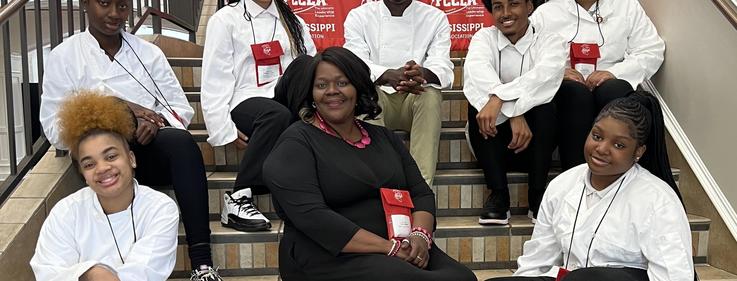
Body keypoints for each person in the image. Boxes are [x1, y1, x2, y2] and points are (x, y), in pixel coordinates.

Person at [38, 0, 221, 279]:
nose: (114, 14)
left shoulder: (148, 53)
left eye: (122, 6)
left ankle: (202, 262)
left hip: (147, 151)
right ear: (86, 4)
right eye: (104, 4)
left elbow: (181, 110)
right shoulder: (64, 56)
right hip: (101, 156)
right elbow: (54, 129)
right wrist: (117, 109)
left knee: (183, 144)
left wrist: (155, 124)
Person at [262, 47, 476, 281]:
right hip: (330, 252)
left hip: (399, 244)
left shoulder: (384, 137)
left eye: (342, 83)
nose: (332, 92)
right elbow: (313, 217)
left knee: (462, 278)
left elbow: (421, 193)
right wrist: (388, 248)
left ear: (358, 88)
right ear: (311, 95)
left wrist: (420, 237)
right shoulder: (296, 143)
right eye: (322, 85)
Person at [486, 92, 692, 281]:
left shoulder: (658, 200)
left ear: (638, 151)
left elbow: (674, 276)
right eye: (597, 136)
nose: (601, 149)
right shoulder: (562, 185)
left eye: (618, 145)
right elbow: (538, 261)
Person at [31, 92, 179, 281]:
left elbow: (144, 273)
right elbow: (48, 272)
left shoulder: (160, 208)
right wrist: (90, 273)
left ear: (131, 159)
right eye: (89, 164)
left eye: (111, 156)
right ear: (84, 175)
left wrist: (95, 274)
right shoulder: (66, 212)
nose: (102, 168)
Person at [201, 0, 316, 232]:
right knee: (277, 115)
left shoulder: (293, 21)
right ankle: (239, 198)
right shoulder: (225, 19)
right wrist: (223, 128)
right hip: (246, 100)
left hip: (284, 101)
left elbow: (309, 71)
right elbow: (215, 77)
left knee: (306, 63)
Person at [464, 0, 567, 225]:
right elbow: (478, 78)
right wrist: (514, 114)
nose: (505, 13)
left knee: (545, 106)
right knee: (479, 105)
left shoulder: (550, 40)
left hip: (536, 145)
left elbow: (542, 80)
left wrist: (501, 99)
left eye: (514, 4)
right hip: (492, 143)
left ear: (530, 7)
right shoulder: (483, 38)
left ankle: (538, 194)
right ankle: (498, 194)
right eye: (498, 6)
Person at [531, 0, 665, 169]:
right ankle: (575, 174)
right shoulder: (546, 12)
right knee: (576, 94)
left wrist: (614, 73)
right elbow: (528, 55)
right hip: (566, 86)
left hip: (608, 82)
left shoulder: (626, 6)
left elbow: (651, 49)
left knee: (616, 89)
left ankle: (616, 173)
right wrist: (557, 73)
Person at [343, 0, 454, 186]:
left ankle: (421, 187)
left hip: (414, 98)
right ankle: (378, 187)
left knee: (431, 94)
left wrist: (422, 74)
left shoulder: (435, 18)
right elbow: (355, 62)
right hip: (378, 100)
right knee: (364, 92)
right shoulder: (359, 16)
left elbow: (442, 64)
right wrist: (386, 75)